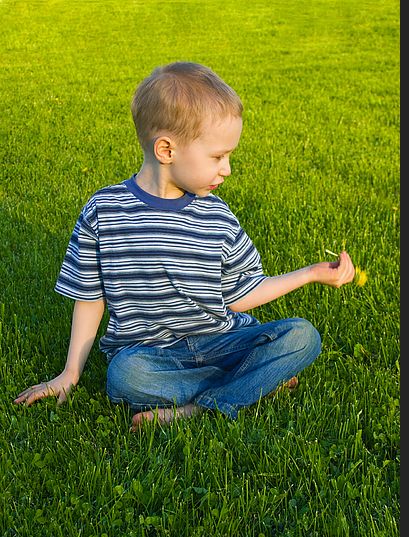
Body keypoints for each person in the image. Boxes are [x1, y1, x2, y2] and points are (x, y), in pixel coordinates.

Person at [14, 62, 355, 431]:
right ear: (166, 149)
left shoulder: (218, 218)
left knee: (302, 336)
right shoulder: (105, 212)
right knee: (124, 378)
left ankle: (202, 405)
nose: (227, 169)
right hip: (149, 356)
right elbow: (89, 297)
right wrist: (70, 373)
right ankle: (251, 385)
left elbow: (240, 296)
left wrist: (309, 274)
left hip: (222, 342)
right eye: (217, 156)